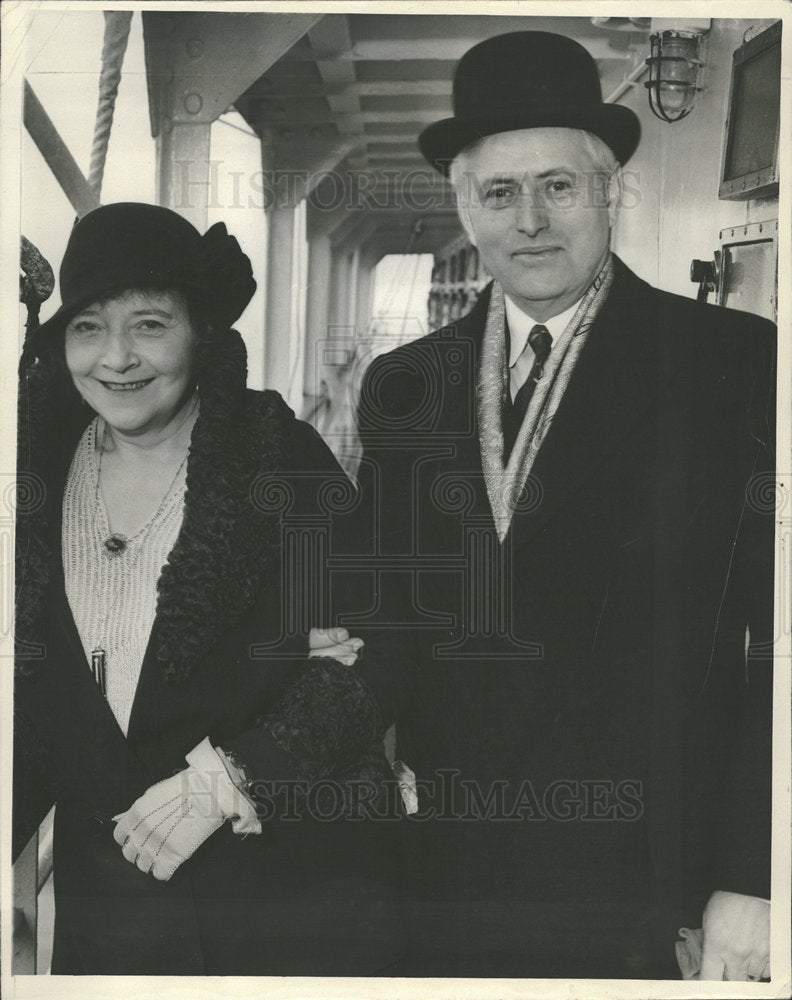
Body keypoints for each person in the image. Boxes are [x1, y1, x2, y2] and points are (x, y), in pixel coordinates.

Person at [310, 31, 776, 979]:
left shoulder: (735, 365)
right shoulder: (406, 385)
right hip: (447, 867)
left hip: (656, 878)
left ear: (609, 194)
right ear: (465, 211)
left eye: (559, 186)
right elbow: (382, 625)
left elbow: (780, 638)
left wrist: (755, 872)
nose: (531, 219)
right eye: (499, 192)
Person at [13, 202, 402, 975]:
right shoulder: (34, 468)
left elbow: (385, 645)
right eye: (87, 327)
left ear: (202, 337)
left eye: (150, 324)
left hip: (283, 905)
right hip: (109, 920)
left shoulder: (274, 457)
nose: (116, 357)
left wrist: (238, 775)